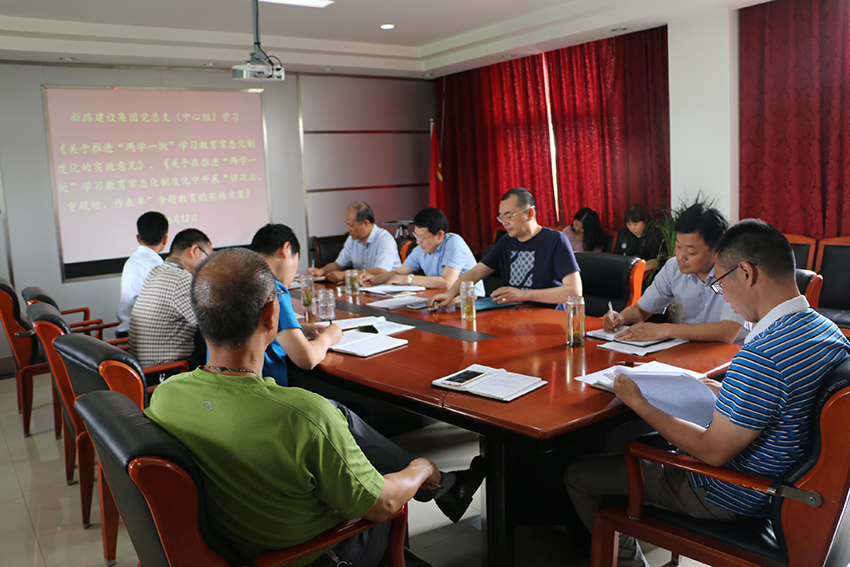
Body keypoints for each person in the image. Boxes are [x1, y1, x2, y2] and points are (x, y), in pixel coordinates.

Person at [145, 248, 486, 566]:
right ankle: (439, 491)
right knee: (387, 494)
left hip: (230, 549)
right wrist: (422, 468)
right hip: (319, 555)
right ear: (271, 314)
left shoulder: (166, 395)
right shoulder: (305, 415)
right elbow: (384, 504)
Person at [565, 219, 850, 567]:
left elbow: (713, 452)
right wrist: (721, 387)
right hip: (786, 480)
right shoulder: (826, 331)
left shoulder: (763, 354)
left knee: (579, 475)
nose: (723, 295)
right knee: (647, 442)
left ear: (746, 272)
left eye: (720, 282)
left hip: (730, 492)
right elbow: (782, 402)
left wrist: (638, 402)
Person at [603, 203, 745, 343]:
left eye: (691, 252)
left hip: (733, 352)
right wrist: (620, 318)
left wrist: (665, 330)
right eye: (678, 246)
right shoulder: (673, 267)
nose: (681, 256)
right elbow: (641, 310)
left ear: (716, 250)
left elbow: (727, 332)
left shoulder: (734, 272)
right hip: (691, 348)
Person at [431, 188, 581, 310]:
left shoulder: (555, 240)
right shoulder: (506, 242)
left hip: (549, 318)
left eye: (509, 216)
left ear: (530, 213)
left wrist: (524, 295)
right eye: (501, 217)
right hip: (514, 315)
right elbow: (476, 272)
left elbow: (574, 292)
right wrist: (449, 294)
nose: (504, 223)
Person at [250, 223, 343, 387]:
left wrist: (299, 329)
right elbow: (307, 359)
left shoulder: (236, 279)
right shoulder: (274, 288)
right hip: (266, 391)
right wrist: (328, 337)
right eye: (296, 261)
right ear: (286, 249)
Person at [129, 228, 212, 368]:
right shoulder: (181, 279)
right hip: (167, 369)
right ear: (194, 250)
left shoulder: (157, 271)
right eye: (208, 257)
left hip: (143, 367)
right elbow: (211, 322)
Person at [360, 207, 483, 295]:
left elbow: (447, 282)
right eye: (416, 235)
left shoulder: (454, 243)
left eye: (423, 237)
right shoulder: (421, 248)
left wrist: (408, 279)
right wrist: (375, 279)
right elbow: (398, 272)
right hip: (441, 297)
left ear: (440, 235)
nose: (418, 242)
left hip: (470, 301)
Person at [308, 202, 401, 283]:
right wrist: (321, 271)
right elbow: (338, 265)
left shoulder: (384, 239)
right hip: (365, 287)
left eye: (351, 225)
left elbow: (381, 271)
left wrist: (346, 274)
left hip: (388, 287)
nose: (348, 229)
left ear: (366, 223)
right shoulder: (352, 239)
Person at [115, 212, 168, 338]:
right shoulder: (156, 266)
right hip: (141, 335)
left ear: (138, 238)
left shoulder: (132, 261)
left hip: (125, 330)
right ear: (165, 239)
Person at [613, 204, 661, 274]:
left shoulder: (655, 235)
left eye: (635, 224)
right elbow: (616, 256)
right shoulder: (623, 234)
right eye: (629, 224)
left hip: (645, 273)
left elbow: (656, 260)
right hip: (625, 271)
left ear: (645, 221)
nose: (632, 228)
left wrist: (636, 271)